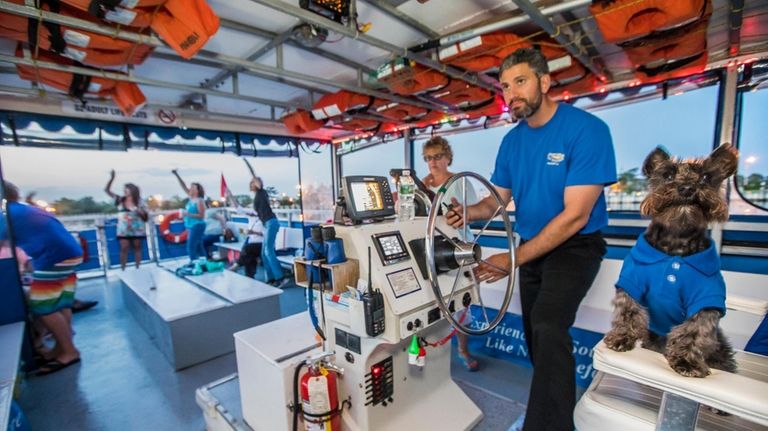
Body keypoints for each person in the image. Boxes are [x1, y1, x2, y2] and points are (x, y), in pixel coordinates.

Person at [445, 48, 616, 431]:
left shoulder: (587, 131)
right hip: (532, 245)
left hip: (576, 245)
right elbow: (497, 200)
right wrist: (467, 212)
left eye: (520, 82)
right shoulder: (512, 142)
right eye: (505, 87)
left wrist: (513, 259)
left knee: (548, 324)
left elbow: (575, 215)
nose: (511, 94)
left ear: (544, 81)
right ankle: (555, 414)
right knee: (535, 336)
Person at [1, 181, 84, 375]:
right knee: (60, 303)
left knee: (42, 306)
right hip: (70, 253)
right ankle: (61, 347)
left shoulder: (5, 215)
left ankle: (69, 351)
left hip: (52, 257)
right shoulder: (24, 209)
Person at [421, 136, 480, 371]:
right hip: (430, 249)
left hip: (459, 248)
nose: (432, 162)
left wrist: (460, 211)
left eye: (437, 157)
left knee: (462, 302)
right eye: (428, 158)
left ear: (448, 157)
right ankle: (430, 350)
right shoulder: (421, 186)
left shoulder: (461, 182)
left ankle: (462, 349)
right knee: (428, 300)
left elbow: (475, 212)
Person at [105, 170, 148, 270]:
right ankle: (123, 268)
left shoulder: (140, 201)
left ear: (132, 190)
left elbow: (145, 215)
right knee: (124, 247)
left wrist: (139, 211)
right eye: (124, 189)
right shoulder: (120, 200)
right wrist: (112, 178)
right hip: (123, 229)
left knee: (137, 247)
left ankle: (138, 267)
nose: (124, 190)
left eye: (126, 189)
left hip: (137, 228)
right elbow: (107, 191)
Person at [250, 177, 286, 286]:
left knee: (268, 251)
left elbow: (259, 185)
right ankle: (271, 278)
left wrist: (255, 178)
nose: (252, 184)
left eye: (253, 182)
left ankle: (280, 277)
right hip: (266, 224)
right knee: (263, 253)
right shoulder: (257, 195)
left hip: (271, 223)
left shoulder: (262, 192)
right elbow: (260, 210)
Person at [171, 169, 207, 261]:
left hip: (197, 226)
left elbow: (201, 216)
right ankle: (204, 263)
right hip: (191, 226)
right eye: (190, 187)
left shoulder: (199, 201)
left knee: (191, 247)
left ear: (197, 190)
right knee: (199, 246)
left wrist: (187, 214)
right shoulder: (191, 199)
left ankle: (194, 264)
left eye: (193, 187)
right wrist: (177, 175)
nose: (190, 188)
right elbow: (183, 185)